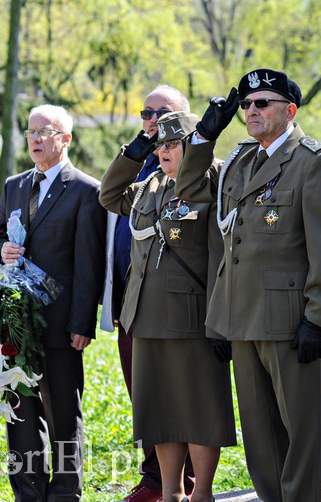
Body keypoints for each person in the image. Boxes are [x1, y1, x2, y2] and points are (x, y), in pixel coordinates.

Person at [175, 68, 321, 502]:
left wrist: (319, 319)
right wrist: (202, 140)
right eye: (246, 104)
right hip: (241, 319)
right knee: (259, 436)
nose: (251, 111)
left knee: (300, 434)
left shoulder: (314, 162)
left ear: (289, 110)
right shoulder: (237, 158)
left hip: (290, 322)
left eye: (262, 103)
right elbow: (190, 190)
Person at [99, 111, 235, 502]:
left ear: (193, 145)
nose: (164, 151)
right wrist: (136, 149)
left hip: (192, 318)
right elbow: (108, 195)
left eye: (172, 144)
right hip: (146, 316)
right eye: (160, 144)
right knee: (160, 412)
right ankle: (172, 491)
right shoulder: (148, 187)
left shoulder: (212, 180)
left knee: (199, 411)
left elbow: (197, 195)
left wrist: (218, 322)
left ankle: (202, 493)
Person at [0, 104, 106, 501]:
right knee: (19, 414)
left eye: (45, 131)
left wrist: (82, 324)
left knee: (63, 417)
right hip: (15, 326)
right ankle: (29, 492)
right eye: (30, 132)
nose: (36, 139)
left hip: (60, 325)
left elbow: (89, 265)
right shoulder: (13, 185)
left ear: (66, 138)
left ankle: (65, 493)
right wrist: (1, 249)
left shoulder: (87, 191)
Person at [100, 85, 196, 502]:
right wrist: (137, 148)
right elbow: (108, 198)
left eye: (164, 112)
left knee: (181, 398)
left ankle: (183, 482)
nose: (153, 119)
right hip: (131, 306)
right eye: (147, 112)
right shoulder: (138, 166)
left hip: (176, 308)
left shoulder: (192, 168)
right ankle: (155, 477)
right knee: (145, 400)